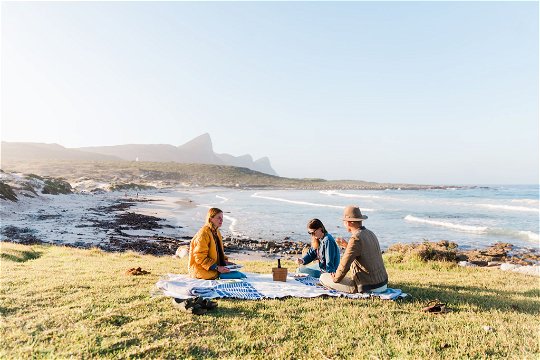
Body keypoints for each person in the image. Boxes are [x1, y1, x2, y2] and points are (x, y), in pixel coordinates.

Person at [320, 206, 388, 293]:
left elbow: (344, 265)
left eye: (344, 221)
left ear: (349, 222)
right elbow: (363, 252)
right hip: (382, 284)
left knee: (323, 277)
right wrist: (346, 245)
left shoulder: (356, 238)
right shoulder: (370, 233)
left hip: (368, 287)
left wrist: (335, 278)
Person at [188, 207, 246, 280]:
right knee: (238, 276)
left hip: (214, 268)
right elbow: (199, 257)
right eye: (218, 218)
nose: (221, 220)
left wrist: (226, 263)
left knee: (242, 275)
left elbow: (218, 253)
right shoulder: (203, 234)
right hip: (201, 269)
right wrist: (217, 267)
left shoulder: (217, 232)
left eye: (222, 218)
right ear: (210, 219)